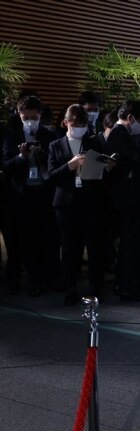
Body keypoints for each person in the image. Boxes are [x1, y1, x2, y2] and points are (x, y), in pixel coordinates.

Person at [48, 104, 107, 305]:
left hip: (90, 201)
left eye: (83, 124)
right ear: (66, 123)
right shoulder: (55, 145)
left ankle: (95, 286)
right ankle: (70, 286)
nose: (79, 128)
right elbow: (52, 176)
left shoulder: (94, 142)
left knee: (94, 245)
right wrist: (69, 165)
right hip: (66, 203)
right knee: (70, 247)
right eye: (75, 124)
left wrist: (104, 166)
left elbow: (102, 174)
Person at [1, 95, 60, 295]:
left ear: (40, 115)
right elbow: (6, 166)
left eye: (33, 117)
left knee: (48, 238)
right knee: (26, 240)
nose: (30, 121)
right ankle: (34, 281)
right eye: (25, 117)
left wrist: (43, 155)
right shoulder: (12, 136)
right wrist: (21, 157)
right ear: (19, 115)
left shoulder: (50, 135)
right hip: (22, 195)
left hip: (44, 194)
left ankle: (49, 279)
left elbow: (55, 164)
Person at [105, 99, 140, 302]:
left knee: (130, 244)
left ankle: (127, 283)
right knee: (133, 245)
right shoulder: (120, 133)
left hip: (132, 198)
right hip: (132, 199)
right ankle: (130, 288)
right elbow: (139, 158)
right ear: (130, 118)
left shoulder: (122, 133)